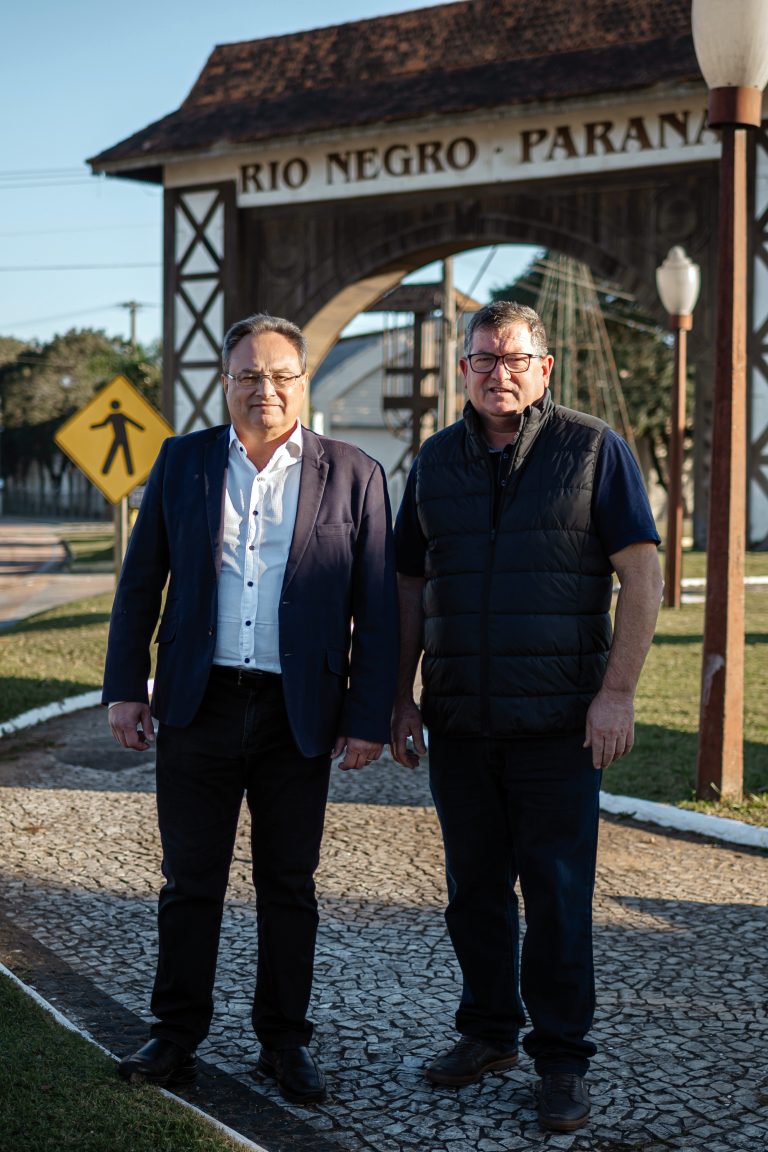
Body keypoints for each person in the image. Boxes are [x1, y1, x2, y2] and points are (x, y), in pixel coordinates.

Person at [105, 312, 398, 1104]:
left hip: (295, 713)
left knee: (289, 885)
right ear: (225, 382)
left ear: (303, 382)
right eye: (248, 375)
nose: (264, 389)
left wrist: (368, 716)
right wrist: (126, 687)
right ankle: (175, 1035)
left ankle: (283, 1042)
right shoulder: (183, 462)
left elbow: (377, 608)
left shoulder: (355, 474)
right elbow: (141, 585)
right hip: (197, 705)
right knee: (189, 881)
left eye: (280, 375)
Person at [391, 300, 662, 1134]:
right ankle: (488, 1034)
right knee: (473, 892)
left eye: (514, 358)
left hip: (558, 725)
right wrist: (399, 696)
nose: (497, 372)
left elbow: (642, 575)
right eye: (482, 359)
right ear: (462, 369)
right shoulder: (434, 462)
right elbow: (408, 583)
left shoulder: (593, 449)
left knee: (555, 893)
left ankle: (561, 1061)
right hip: (464, 724)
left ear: (545, 368)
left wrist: (616, 694)